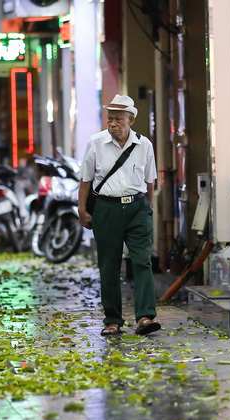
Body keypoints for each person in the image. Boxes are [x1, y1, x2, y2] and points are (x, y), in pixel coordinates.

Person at [78, 94, 160, 336]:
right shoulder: (96, 143)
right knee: (109, 265)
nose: (111, 123)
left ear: (131, 120)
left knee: (142, 262)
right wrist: (82, 209)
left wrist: (148, 210)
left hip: (137, 209)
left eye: (117, 119)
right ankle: (112, 320)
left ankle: (145, 317)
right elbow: (86, 180)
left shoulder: (144, 145)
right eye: (109, 118)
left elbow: (150, 182)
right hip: (106, 209)